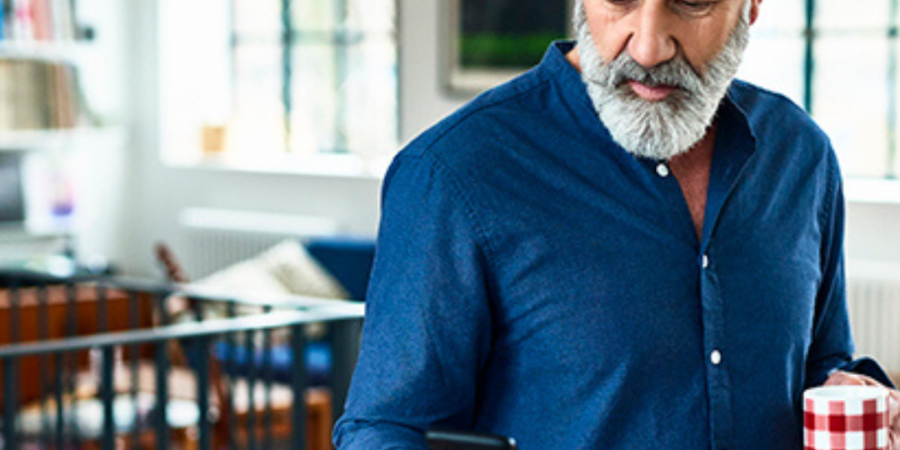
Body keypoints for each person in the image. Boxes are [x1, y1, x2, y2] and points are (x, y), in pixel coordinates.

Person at [333, 0, 900, 448]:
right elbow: (386, 430)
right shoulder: (455, 172)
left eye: (693, 1)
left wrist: (856, 386)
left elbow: (823, 363)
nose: (649, 47)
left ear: (751, 5)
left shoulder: (801, 157)